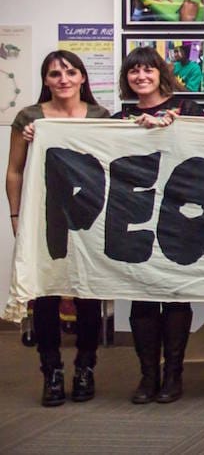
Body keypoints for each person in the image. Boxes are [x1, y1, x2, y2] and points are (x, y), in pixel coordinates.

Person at [7, 51, 111, 406]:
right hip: (43, 217)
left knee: (87, 293)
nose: (63, 79)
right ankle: (51, 370)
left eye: (70, 72)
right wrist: (16, 216)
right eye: (54, 74)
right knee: (46, 294)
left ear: (83, 77)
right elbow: (15, 171)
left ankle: (86, 365)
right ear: (46, 81)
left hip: (89, 218)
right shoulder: (30, 118)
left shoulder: (100, 117)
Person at [112, 46, 204, 404]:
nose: (141, 77)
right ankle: (147, 376)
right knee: (142, 299)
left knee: (175, 298)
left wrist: (173, 128)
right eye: (134, 71)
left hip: (178, 217)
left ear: (160, 73)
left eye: (148, 70)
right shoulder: (119, 117)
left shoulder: (188, 111)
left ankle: (173, 375)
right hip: (134, 217)